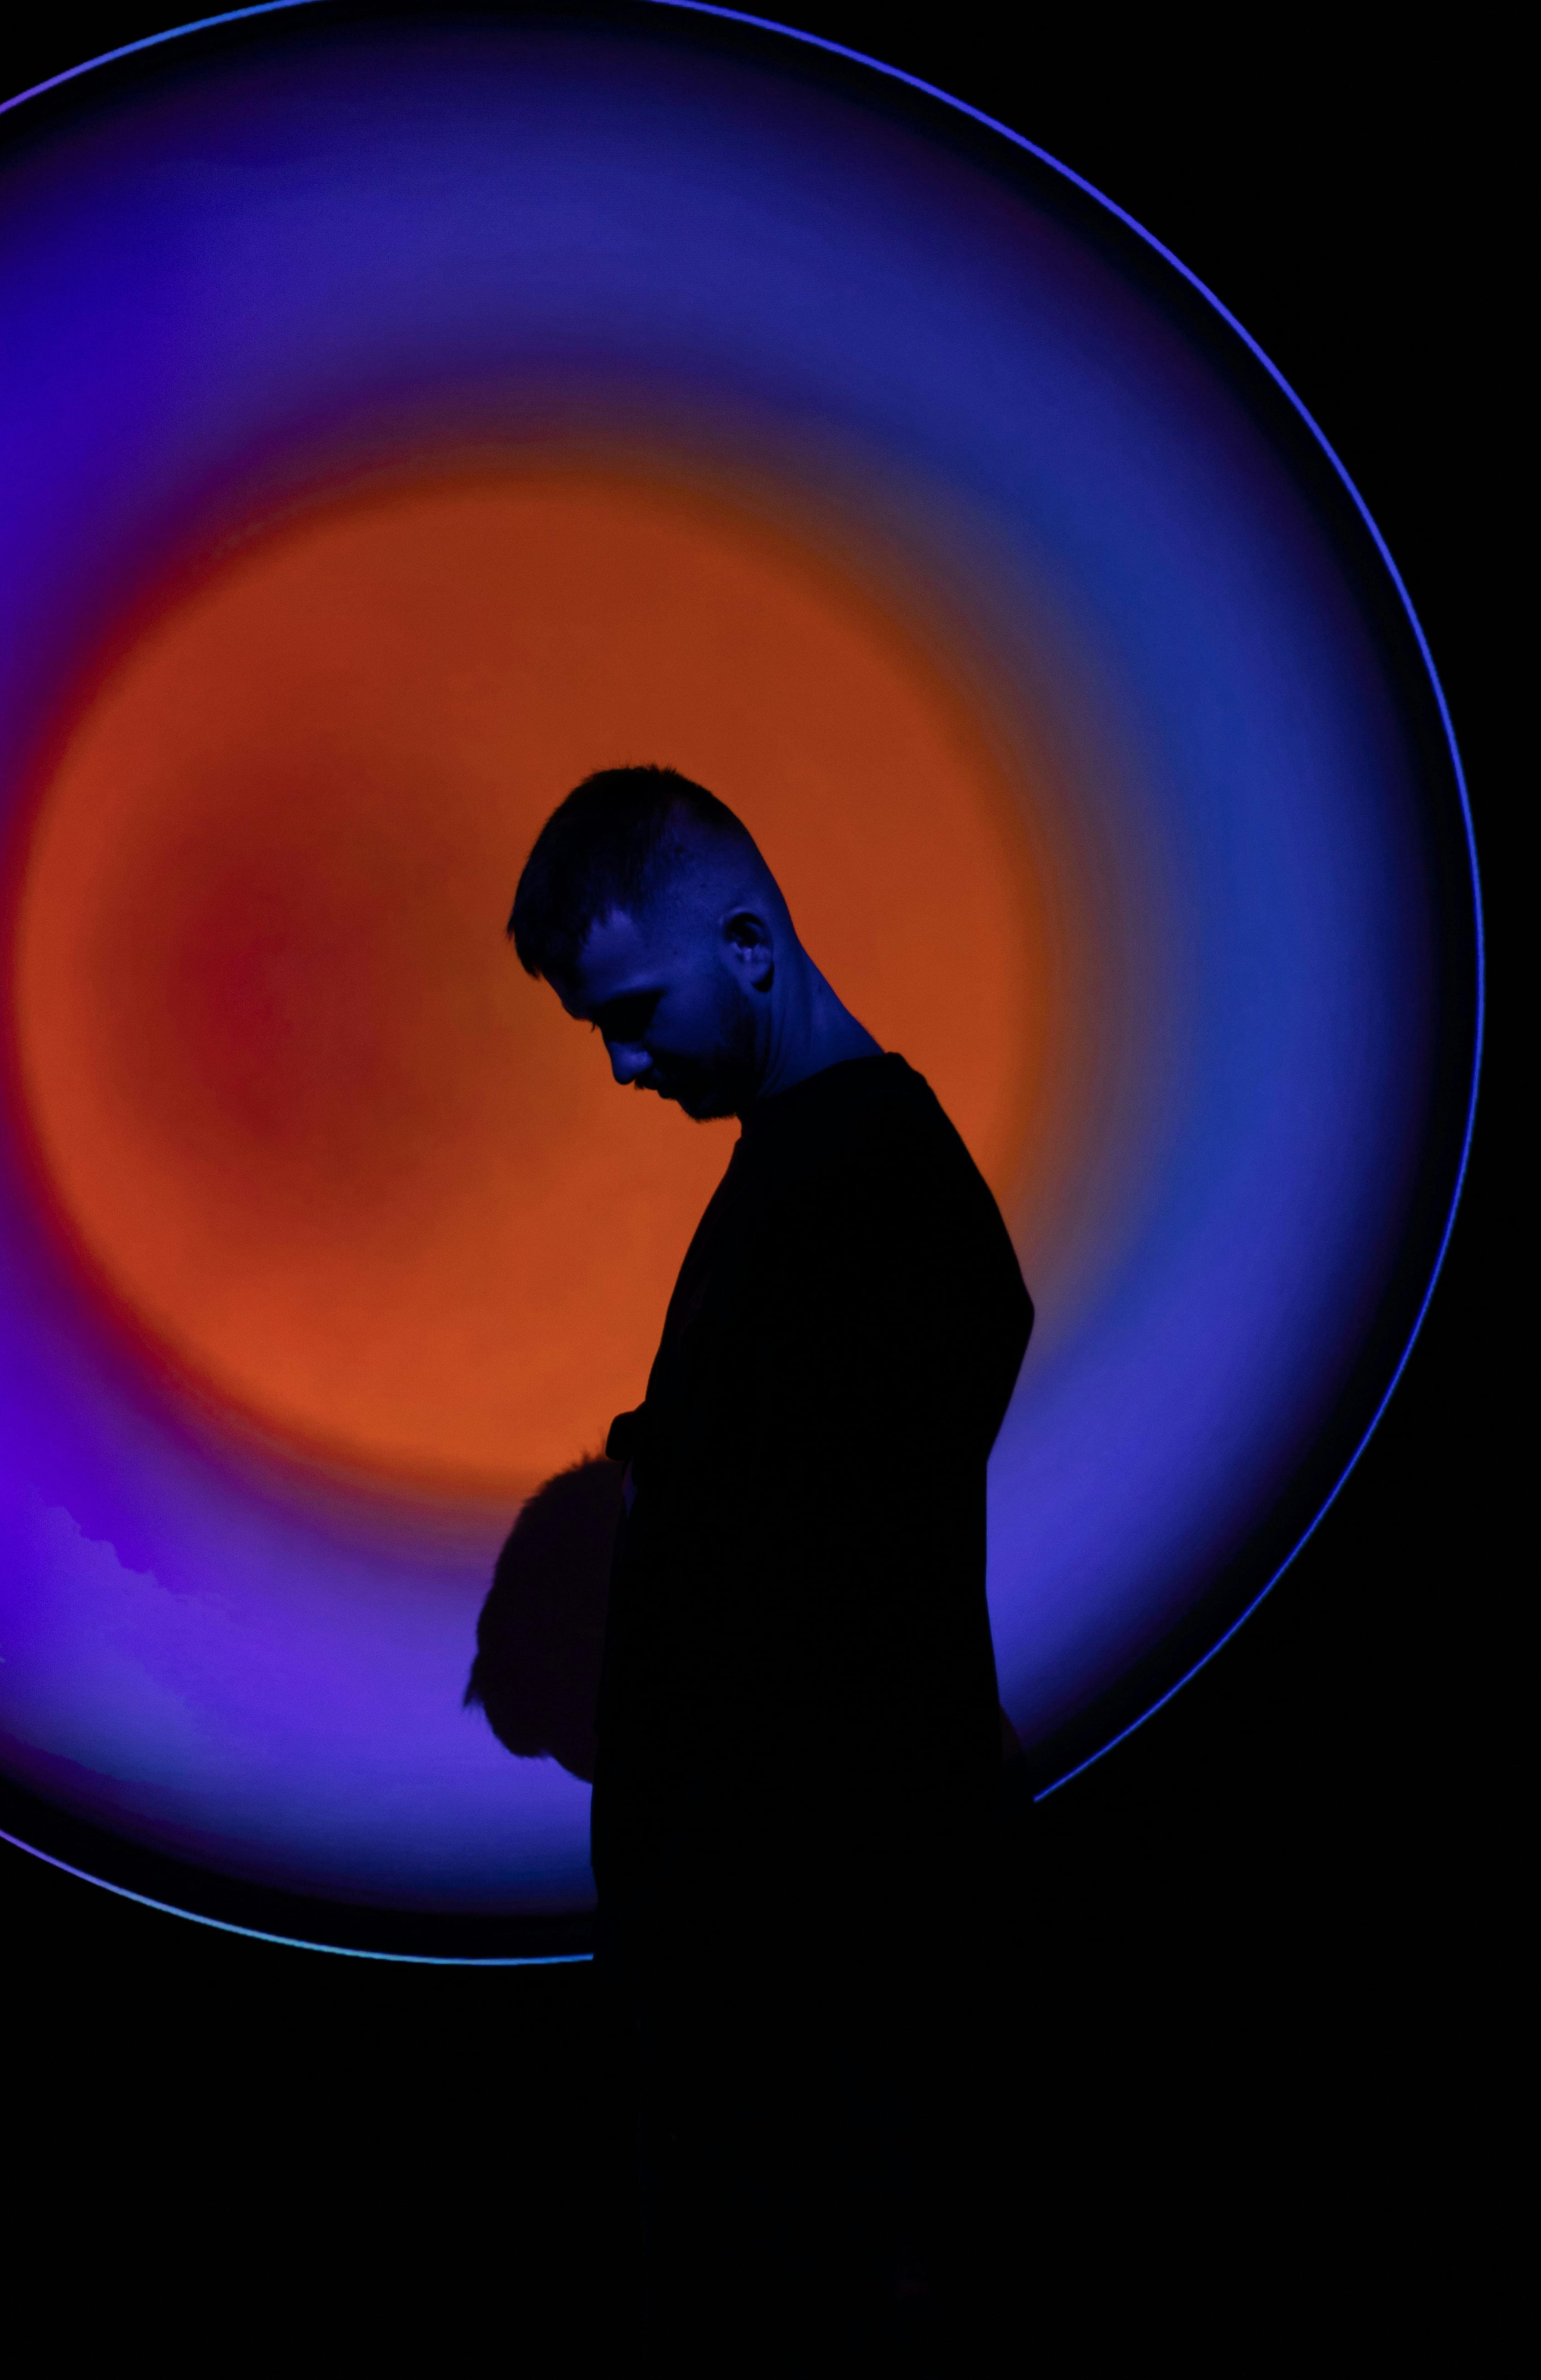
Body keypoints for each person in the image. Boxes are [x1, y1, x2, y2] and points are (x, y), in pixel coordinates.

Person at [506, 764, 1034, 2359]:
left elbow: (851, 1649)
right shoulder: (809, 1175)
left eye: (637, 1008)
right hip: (774, 2028)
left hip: (821, 2047)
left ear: (749, 946)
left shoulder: (874, 1192)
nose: (620, 1062)